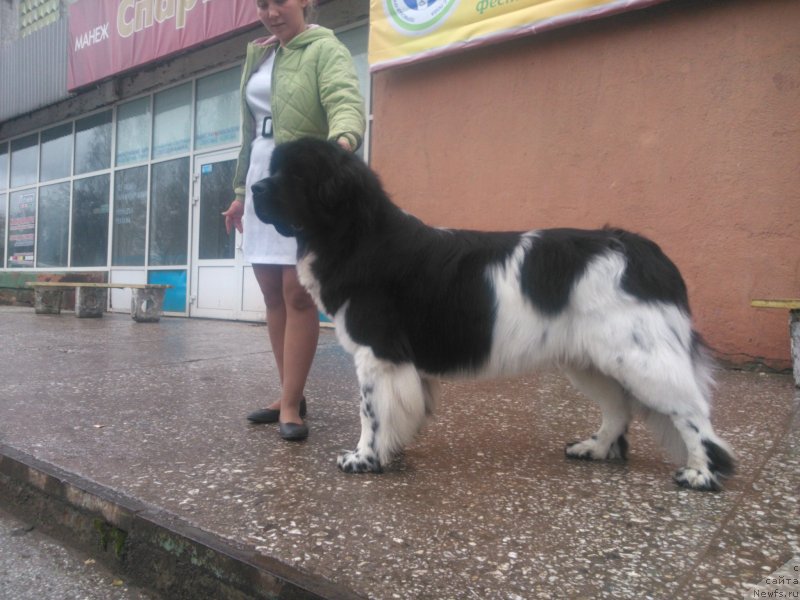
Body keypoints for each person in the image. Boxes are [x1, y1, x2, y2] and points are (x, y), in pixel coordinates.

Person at [223, 0, 365, 441]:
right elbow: (249, 133)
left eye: (279, 2)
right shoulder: (260, 54)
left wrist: (342, 142)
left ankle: (290, 405)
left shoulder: (325, 48)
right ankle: (290, 392)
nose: (270, 12)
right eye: (261, 4)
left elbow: (345, 101)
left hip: (299, 184)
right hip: (262, 177)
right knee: (271, 294)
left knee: (297, 294)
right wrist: (238, 195)